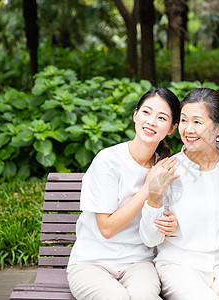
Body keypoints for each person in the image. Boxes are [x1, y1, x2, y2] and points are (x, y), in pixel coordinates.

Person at [139, 88, 219, 300]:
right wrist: (154, 198)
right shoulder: (167, 169)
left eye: (197, 122)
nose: (188, 129)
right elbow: (149, 238)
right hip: (180, 266)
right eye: (184, 120)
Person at [67, 88, 181, 300]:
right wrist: (148, 188)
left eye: (162, 117)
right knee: (115, 297)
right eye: (146, 112)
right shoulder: (108, 161)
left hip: (139, 264)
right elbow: (107, 228)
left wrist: (171, 225)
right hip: (91, 264)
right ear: (135, 115)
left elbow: (158, 228)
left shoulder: (166, 168)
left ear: (172, 128)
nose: (152, 121)